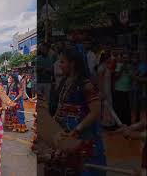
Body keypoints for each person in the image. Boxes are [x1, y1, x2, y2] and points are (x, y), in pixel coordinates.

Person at [43, 46, 106, 176]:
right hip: (65, 134)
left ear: (72, 64)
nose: (59, 65)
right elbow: (60, 109)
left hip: (82, 136)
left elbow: (95, 112)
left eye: (62, 62)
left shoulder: (86, 85)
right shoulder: (64, 82)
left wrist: (76, 131)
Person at [113, 53, 134, 126]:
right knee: (119, 108)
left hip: (127, 89)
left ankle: (127, 123)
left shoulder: (130, 66)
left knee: (126, 108)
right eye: (124, 58)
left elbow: (132, 78)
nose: (125, 59)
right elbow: (115, 77)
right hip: (118, 89)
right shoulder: (118, 65)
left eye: (126, 58)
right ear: (121, 58)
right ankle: (119, 124)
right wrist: (121, 69)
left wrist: (128, 71)